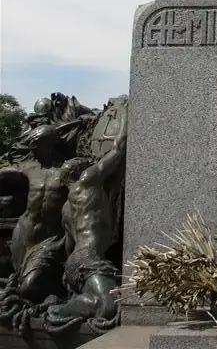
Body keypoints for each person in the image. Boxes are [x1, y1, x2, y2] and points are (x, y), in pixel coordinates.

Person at [45, 105, 127, 325]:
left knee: (108, 300)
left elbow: (69, 247)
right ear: (76, 172)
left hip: (76, 262)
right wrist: (127, 113)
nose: (88, 163)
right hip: (89, 259)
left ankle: (80, 300)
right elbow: (118, 150)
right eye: (82, 164)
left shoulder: (66, 209)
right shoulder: (86, 181)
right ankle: (61, 309)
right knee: (109, 306)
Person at [0, 125, 71, 302]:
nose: (32, 149)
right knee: (15, 280)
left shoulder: (67, 169)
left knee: (29, 286)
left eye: (35, 145)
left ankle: (58, 295)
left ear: (48, 144)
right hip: (23, 233)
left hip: (50, 238)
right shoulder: (29, 167)